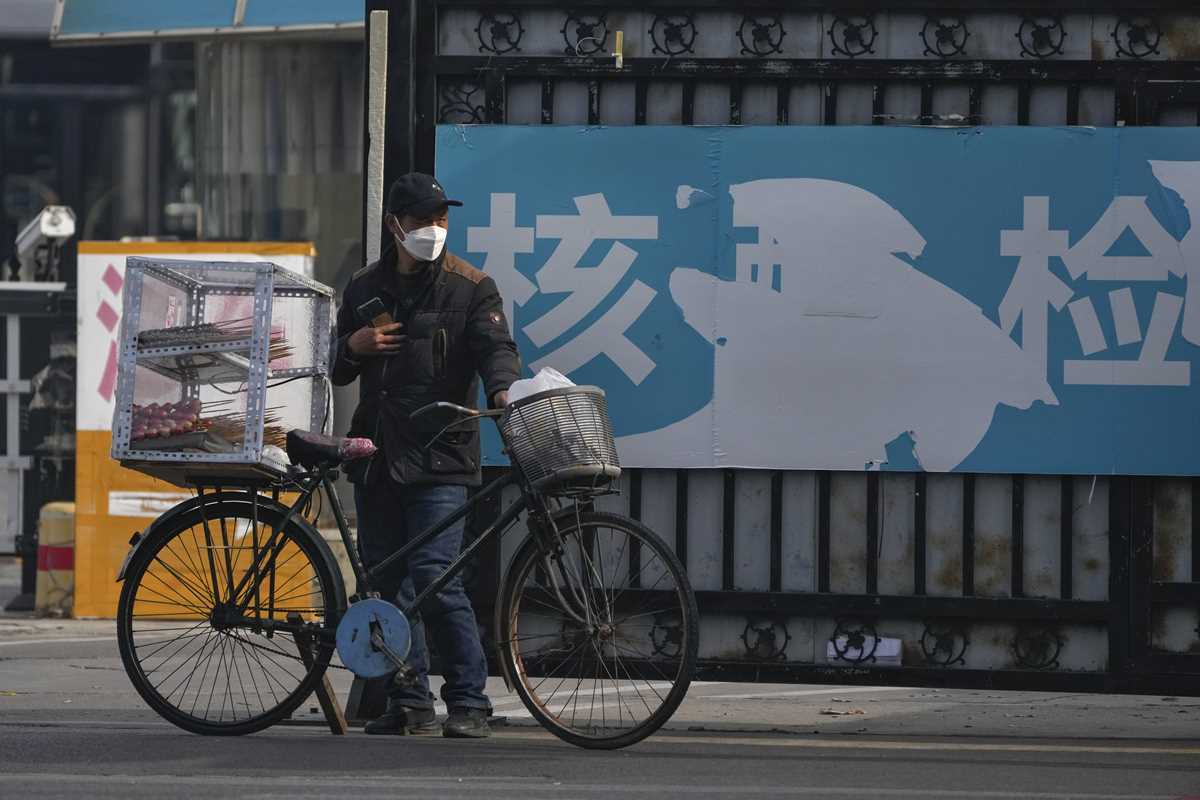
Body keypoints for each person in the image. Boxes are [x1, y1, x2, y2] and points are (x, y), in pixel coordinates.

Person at [331, 172, 521, 738]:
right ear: (395, 225)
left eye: (441, 219)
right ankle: (409, 699)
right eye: (422, 220)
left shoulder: (471, 287)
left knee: (437, 578)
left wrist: (503, 393)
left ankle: (469, 701)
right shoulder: (364, 287)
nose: (433, 229)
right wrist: (354, 346)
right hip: (378, 455)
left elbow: (496, 349)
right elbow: (335, 368)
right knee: (385, 582)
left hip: (442, 456)